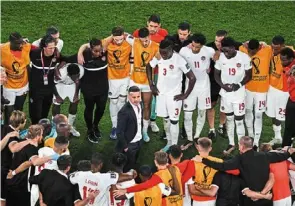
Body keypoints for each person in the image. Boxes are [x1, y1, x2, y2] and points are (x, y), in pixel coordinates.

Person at [193, 136, 293, 206]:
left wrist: (203, 160)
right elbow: (281, 156)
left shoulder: (240, 159)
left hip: (249, 200)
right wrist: (289, 152)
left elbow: (222, 166)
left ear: (241, 146)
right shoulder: (264, 156)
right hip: (266, 199)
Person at [146, 39, 196, 151]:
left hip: (174, 97)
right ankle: (169, 143)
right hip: (161, 94)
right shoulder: (159, 56)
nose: (162, 55)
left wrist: (185, 94)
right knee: (166, 119)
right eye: (161, 52)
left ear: (171, 50)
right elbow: (149, 66)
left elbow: (192, 78)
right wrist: (151, 84)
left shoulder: (179, 60)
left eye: (165, 53)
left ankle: (174, 145)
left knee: (174, 121)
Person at [62, 38, 108, 143]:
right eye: (95, 51)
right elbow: (66, 59)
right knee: (89, 109)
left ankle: (95, 125)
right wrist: (79, 53)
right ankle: (90, 130)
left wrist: (81, 49)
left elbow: (112, 36)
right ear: (90, 49)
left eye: (100, 50)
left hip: (103, 89)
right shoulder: (84, 55)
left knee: (101, 109)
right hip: (89, 90)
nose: (98, 53)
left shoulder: (105, 52)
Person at [214, 37, 252, 154]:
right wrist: (223, 85)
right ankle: (231, 143)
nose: (225, 53)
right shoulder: (220, 57)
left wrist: (238, 84)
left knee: (239, 120)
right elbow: (216, 75)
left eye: (227, 51)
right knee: (229, 119)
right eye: (223, 51)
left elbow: (249, 75)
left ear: (233, 48)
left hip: (239, 94)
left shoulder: (244, 57)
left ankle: (242, 146)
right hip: (226, 94)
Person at [133, 14, 168, 134]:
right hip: (140, 73)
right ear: (147, 24)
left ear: (160, 26)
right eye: (151, 26)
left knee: (153, 98)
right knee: (141, 99)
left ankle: (152, 121)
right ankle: (142, 121)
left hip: (157, 72)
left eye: (155, 26)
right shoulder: (138, 33)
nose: (153, 29)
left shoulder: (164, 34)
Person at [179, 33, 215, 147]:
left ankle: (196, 136)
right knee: (188, 114)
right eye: (193, 45)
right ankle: (189, 138)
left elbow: (220, 55)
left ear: (202, 46)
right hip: (190, 87)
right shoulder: (184, 51)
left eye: (197, 47)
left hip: (204, 87)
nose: (194, 48)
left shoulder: (209, 51)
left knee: (201, 112)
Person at [126, 27, 159, 142]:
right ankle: (133, 128)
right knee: (131, 105)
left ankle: (144, 130)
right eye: (142, 40)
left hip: (147, 82)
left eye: (146, 40)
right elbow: (122, 34)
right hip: (134, 80)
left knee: (147, 105)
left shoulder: (156, 47)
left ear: (149, 37)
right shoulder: (134, 41)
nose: (144, 43)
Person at [114, 151, 183, 206]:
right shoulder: (161, 185)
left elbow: (118, 197)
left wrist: (113, 181)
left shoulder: (136, 189)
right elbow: (176, 192)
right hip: (177, 201)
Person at [239, 39, 272, 150]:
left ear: (258, 48)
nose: (251, 53)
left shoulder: (267, 49)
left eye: (254, 51)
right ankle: (251, 135)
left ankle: (256, 140)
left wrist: (263, 43)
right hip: (248, 88)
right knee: (248, 111)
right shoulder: (243, 49)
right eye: (250, 51)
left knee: (258, 114)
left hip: (262, 90)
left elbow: (286, 48)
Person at [69, 152, 136, 205]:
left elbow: (70, 177)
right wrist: (131, 176)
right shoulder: (106, 178)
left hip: (86, 202)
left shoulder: (81, 175)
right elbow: (117, 179)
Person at [29, 155, 98, 206]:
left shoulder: (45, 172)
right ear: (68, 168)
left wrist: (41, 201)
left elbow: (31, 179)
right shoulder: (68, 186)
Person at [165, 21, 192, 140]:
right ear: (178, 31)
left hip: (186, 76)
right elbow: (164, 43)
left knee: (185, 104)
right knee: (171, 103)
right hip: (173, 76)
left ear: (189, 33)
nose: (182, 36)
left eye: (185, 34)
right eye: (180, 33)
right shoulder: (171, 39)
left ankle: (184, 130)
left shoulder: (192, 42)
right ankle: (168, 129)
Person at [6, 125, 43, 206]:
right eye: (41, 135)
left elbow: (11, 147)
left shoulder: (20, 141)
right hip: (21, 183)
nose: (42, 137)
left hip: (10, 181)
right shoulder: (33, 149)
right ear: (37, 136)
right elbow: (27, 164)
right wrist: (13, 173)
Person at [29, 34, 62, 124]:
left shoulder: (56, 55)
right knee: (36, 114)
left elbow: (65, 60)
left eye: (54, 47)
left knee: (44, 114)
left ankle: (41, 132)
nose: (52, 50)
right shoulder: (35, 53)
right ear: (43, 47)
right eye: (50, 48)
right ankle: (34, 130)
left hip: (49, 90)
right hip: (36, 89)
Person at [1, 32, 32, 124]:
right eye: (18, 43)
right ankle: (7, 128)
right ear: (11, 42)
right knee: (9, 110)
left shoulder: (26, 46)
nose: (20, 45)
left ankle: (17, 127)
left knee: (19, 108)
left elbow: (39, 46)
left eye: (21, 42)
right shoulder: (3, 49)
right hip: (8, 85)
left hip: (23, 84)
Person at [266, 36, 290, 145]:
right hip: (272, 88)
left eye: (277, 49)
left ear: (283, 46)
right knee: (273, 114)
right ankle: (277, 137)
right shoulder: (271, 51)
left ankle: (289, 139)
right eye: (273, 47)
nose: (274, 51)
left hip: (284, 91)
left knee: (282, 115)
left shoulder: (290, 53)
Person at [206, 30, 229, 140]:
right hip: (213, 81)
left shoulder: (231, 48)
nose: (217, 44)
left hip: (226, 81)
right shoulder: (207, 48)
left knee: (224, 105)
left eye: (220, 42)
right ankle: (211, 129)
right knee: (211, 104)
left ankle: (221, 125)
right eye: (216, 41)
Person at [116, 86, 143, 172]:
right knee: (128, 165)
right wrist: (125, 146)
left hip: (139, 140)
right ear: (128, 96)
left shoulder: (140, 105)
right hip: (130, 144)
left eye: (138, 97)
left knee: (134, 161)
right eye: (133, 97)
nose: (136, 99)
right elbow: (119, 132)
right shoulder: (124, 112)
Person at [53, 63, 84, 137]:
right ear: (69, 75)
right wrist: (57, 96)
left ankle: (70, 127)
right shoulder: (61, 74)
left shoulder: (81, 70)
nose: (77, 77)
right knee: (56, 104)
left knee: (74, 102)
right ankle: (55, 128)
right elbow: (52, 84)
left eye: (78, 75)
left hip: (72, 85)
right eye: (75, 76)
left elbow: (78, 82)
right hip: (60, 84)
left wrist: (76, 94)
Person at [280, 48, 295, 147]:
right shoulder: (289, 66)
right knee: (289, 126)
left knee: (289, 127)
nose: (282, 62)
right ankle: (286, 148)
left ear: (291, 59)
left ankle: (286, 148)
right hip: (292, 99)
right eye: (281, 59)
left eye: (284, 60)